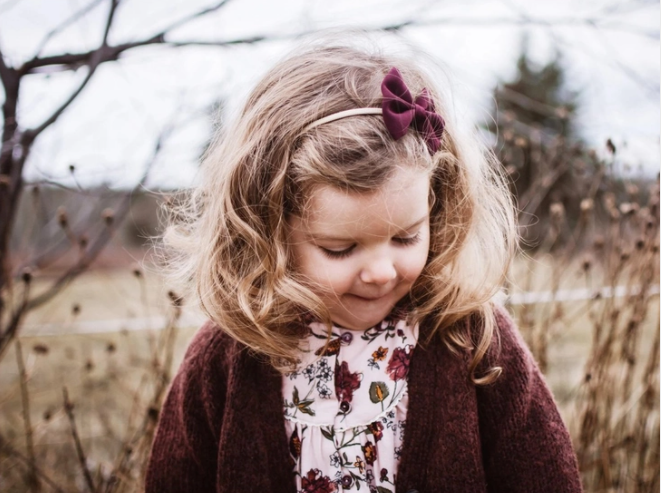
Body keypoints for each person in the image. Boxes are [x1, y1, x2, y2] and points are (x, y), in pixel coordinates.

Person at [146, 41, 582, 493]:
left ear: (437, 208)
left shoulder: (470, 336)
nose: (380, 272)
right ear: (268, 233)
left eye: (406, 237)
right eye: (340, 248)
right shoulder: (228, 356)